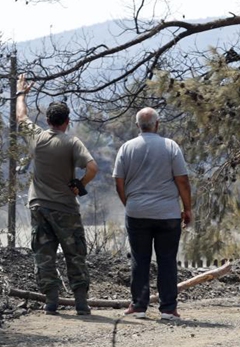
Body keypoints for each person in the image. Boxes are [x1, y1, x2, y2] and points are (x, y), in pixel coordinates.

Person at [16, 74, 99, 315]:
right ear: (67, 121)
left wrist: (22, 93)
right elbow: (93, 168)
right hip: (65, 208)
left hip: (39, 206)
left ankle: (51, 301)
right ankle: (81, 303)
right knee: (75, 254)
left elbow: (21, 116)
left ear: (47, 120)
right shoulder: (72, 143)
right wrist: (79, 184)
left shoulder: (37, 138)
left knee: (44, 255)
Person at [113, 107, 192, 321]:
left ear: (137, 125)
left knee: (140, 259)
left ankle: (139, 306)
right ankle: (168, 308)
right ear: (157, 124)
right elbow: (182, 180)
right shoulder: (170, 146)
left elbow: (118, 181)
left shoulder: (126, 148)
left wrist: (128, 203)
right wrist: (187, 208)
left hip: (137, 211)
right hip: (167, 213)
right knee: (167, 260)